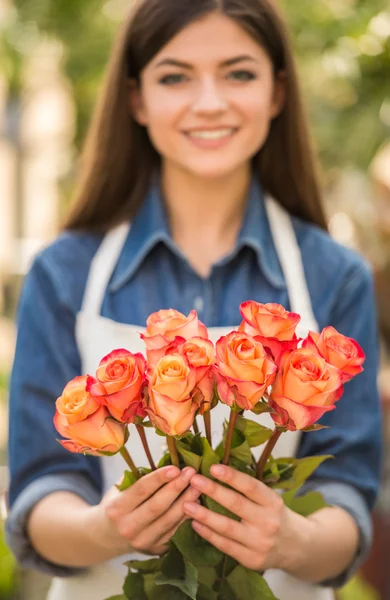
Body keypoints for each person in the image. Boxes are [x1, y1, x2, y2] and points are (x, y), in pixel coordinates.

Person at [5, 1, 382, 599]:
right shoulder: (64, 272)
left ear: (278, 92)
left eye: (239, 73)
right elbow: (37, 493)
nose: (209, 102)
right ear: (137, 99)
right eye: (175, 76)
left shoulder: (336, 275)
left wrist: (294, 543)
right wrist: (104, 529)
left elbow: (350, 494)